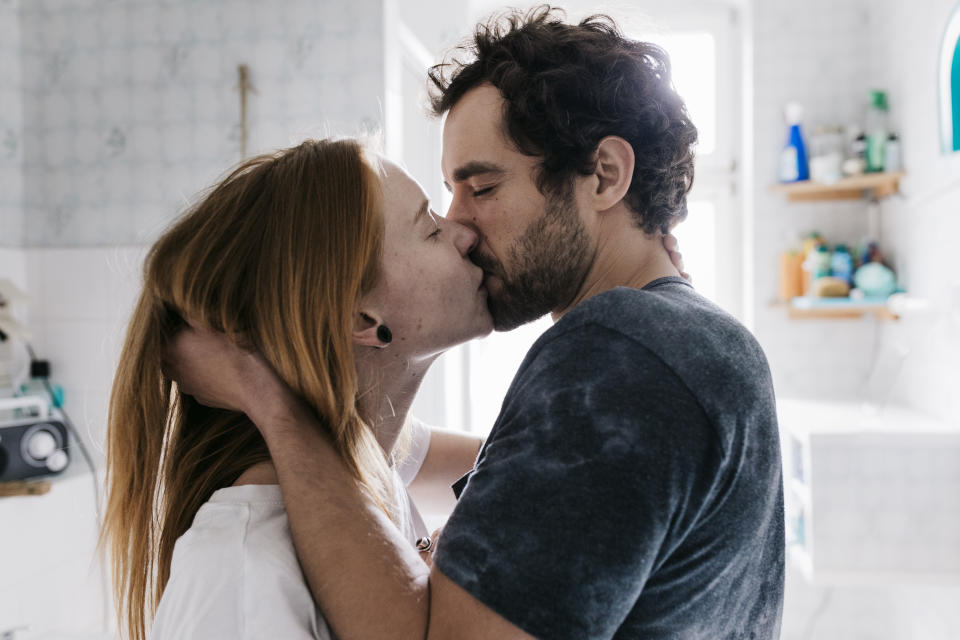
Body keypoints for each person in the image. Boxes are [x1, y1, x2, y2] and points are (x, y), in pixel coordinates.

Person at [167, 7, 785, 640]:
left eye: (483, 188)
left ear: (604, 175)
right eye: (443, 202)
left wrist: (269, 398)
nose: (460, 224)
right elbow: (446, 457)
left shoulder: (619, 349)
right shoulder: (686, 338)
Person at [100, 138, 501, 640]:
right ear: (361, 315)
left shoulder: (364, 453)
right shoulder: (244, 571)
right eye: (428, 228)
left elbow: (508, 466)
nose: (462, 233)